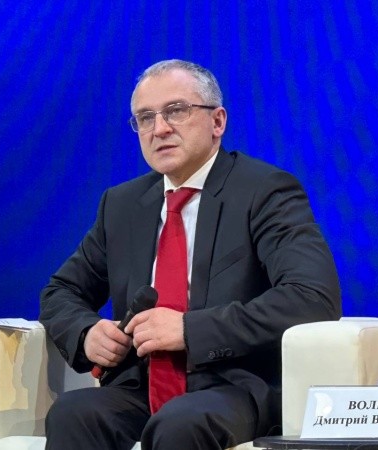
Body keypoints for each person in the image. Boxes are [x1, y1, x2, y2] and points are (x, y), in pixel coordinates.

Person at [39, 59, 341, 450]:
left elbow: (312, 297)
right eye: (145, 118)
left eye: (176, 111)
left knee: (180, 425)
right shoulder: (122, 205)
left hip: (233, 385)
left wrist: (188, 330)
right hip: (141, 386)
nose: (159, 129)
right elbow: (61, 292)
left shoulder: (265, 191)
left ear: (217, 121)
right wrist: (86, 333)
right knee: (73, 413)